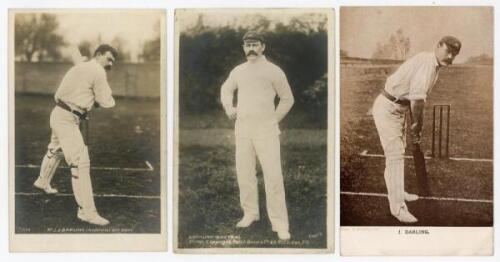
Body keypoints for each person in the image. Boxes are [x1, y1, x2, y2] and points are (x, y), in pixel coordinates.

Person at [371, 36, 461, 223]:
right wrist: (417, 126)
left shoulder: (432, 63)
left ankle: (398, 192)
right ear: (438, 46)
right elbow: (417, 100)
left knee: (397, 154)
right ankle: (398, 209)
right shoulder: (428, 65)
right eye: (447, 51)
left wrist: (413, 123)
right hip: (389, 108)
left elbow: (416, 98)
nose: (450, 56)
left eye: (454, 54)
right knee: (395, 156)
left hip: (398, 109)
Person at [220, 31, 294, 240]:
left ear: (263, 47)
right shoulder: (239, 71)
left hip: (266, 129)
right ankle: (250, 213)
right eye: (246, 45)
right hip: (243, 128)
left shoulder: (274, 71)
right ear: (243, 48)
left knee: (273, 175)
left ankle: (280, 224)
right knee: (244, 172)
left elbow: (287, 98)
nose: (250, 48)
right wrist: (229, 107)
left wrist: (274, 119)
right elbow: (226, 89)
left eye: (254, 44)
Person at [33, 44, 118, 226]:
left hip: (58, 113)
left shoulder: (80, 67)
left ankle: (42, 181)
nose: (110, 64)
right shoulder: (97, 71)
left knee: (56, 150)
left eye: (113, 62)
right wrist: (104, 100)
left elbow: (77, 91)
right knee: (80, 163)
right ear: (99, 54)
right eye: (108, 59)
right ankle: (86, 212)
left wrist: (91, 98)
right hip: (67, 119)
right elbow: (106, 101)